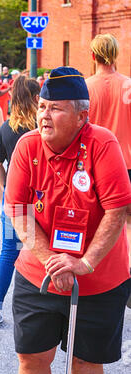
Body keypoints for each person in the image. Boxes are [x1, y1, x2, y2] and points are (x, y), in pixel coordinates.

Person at [4, 67, 131, 374]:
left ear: (82, 116)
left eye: (55, 108)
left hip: (98, 277)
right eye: (42, 106)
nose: (44, 115)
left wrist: (85, 263)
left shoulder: (102, 143)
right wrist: (51, 260)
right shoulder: (27, 145)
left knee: (86, 361)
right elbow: (19, 211)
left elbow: (117, 209)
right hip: (37, 274)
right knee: (31, 357)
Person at [0, 76, 40, 325]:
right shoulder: (42, 128)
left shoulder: (7, 128)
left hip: (14, 198)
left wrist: (6, 187)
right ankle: (40, 308)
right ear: (35, 98)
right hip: (41, 198)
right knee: (42, 251)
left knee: (8, 253)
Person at [85, 34, 131, 270]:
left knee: (99, 223)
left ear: (93, 55)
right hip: (128, 163)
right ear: (116, 54)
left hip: (97, 165)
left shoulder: (86, 88)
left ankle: (106, 273)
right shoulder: (129, 85)